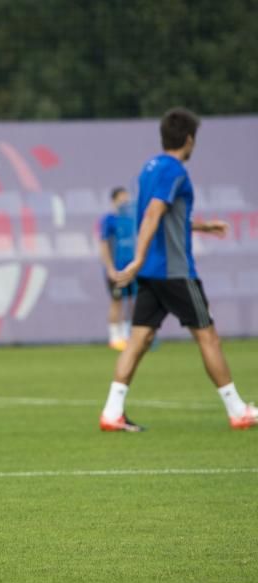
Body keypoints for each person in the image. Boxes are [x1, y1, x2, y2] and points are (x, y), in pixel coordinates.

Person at [98, 108, 255, 432]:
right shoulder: (175, 171)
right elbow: (154, 214)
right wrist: (139, 257)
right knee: (208, 336)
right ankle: (238, 410)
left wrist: (201, 226)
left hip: (154, 275)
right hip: (175, 271)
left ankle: (112, 412)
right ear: (189, 139)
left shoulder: (150, 168)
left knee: (139, 339)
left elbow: (163, 215)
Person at [97, 187, 137, 351]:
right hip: (116, 269)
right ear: (114, 200)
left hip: (132, 269)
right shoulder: (109, 220)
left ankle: (128, 335)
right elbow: (104, 245)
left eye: (127, 198)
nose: (125, 201)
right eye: (122, 198)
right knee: (117, 301)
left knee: (132, 301)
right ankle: (115, 337)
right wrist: (110, 268)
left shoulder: (130, 219)